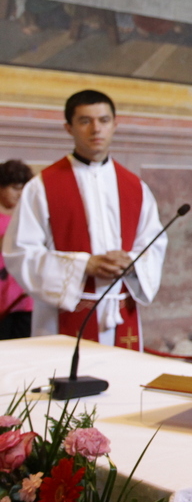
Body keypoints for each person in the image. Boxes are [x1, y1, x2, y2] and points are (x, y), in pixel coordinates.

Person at [3, 90, 166, 349]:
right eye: (85, 121)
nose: (96, 129)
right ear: (68, 128)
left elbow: (154, 245)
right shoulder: (42, 187)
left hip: (120, 310)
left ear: (115, 125)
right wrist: (83, 265)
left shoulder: (136, 187)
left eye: (104, 120)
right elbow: (21, 252)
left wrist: (132, 262)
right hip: (64, 315)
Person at [0, 160, 34, 339]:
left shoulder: (29, 217)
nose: (20, 194)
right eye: (14, 188)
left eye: (23, 189)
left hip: (25, 297)